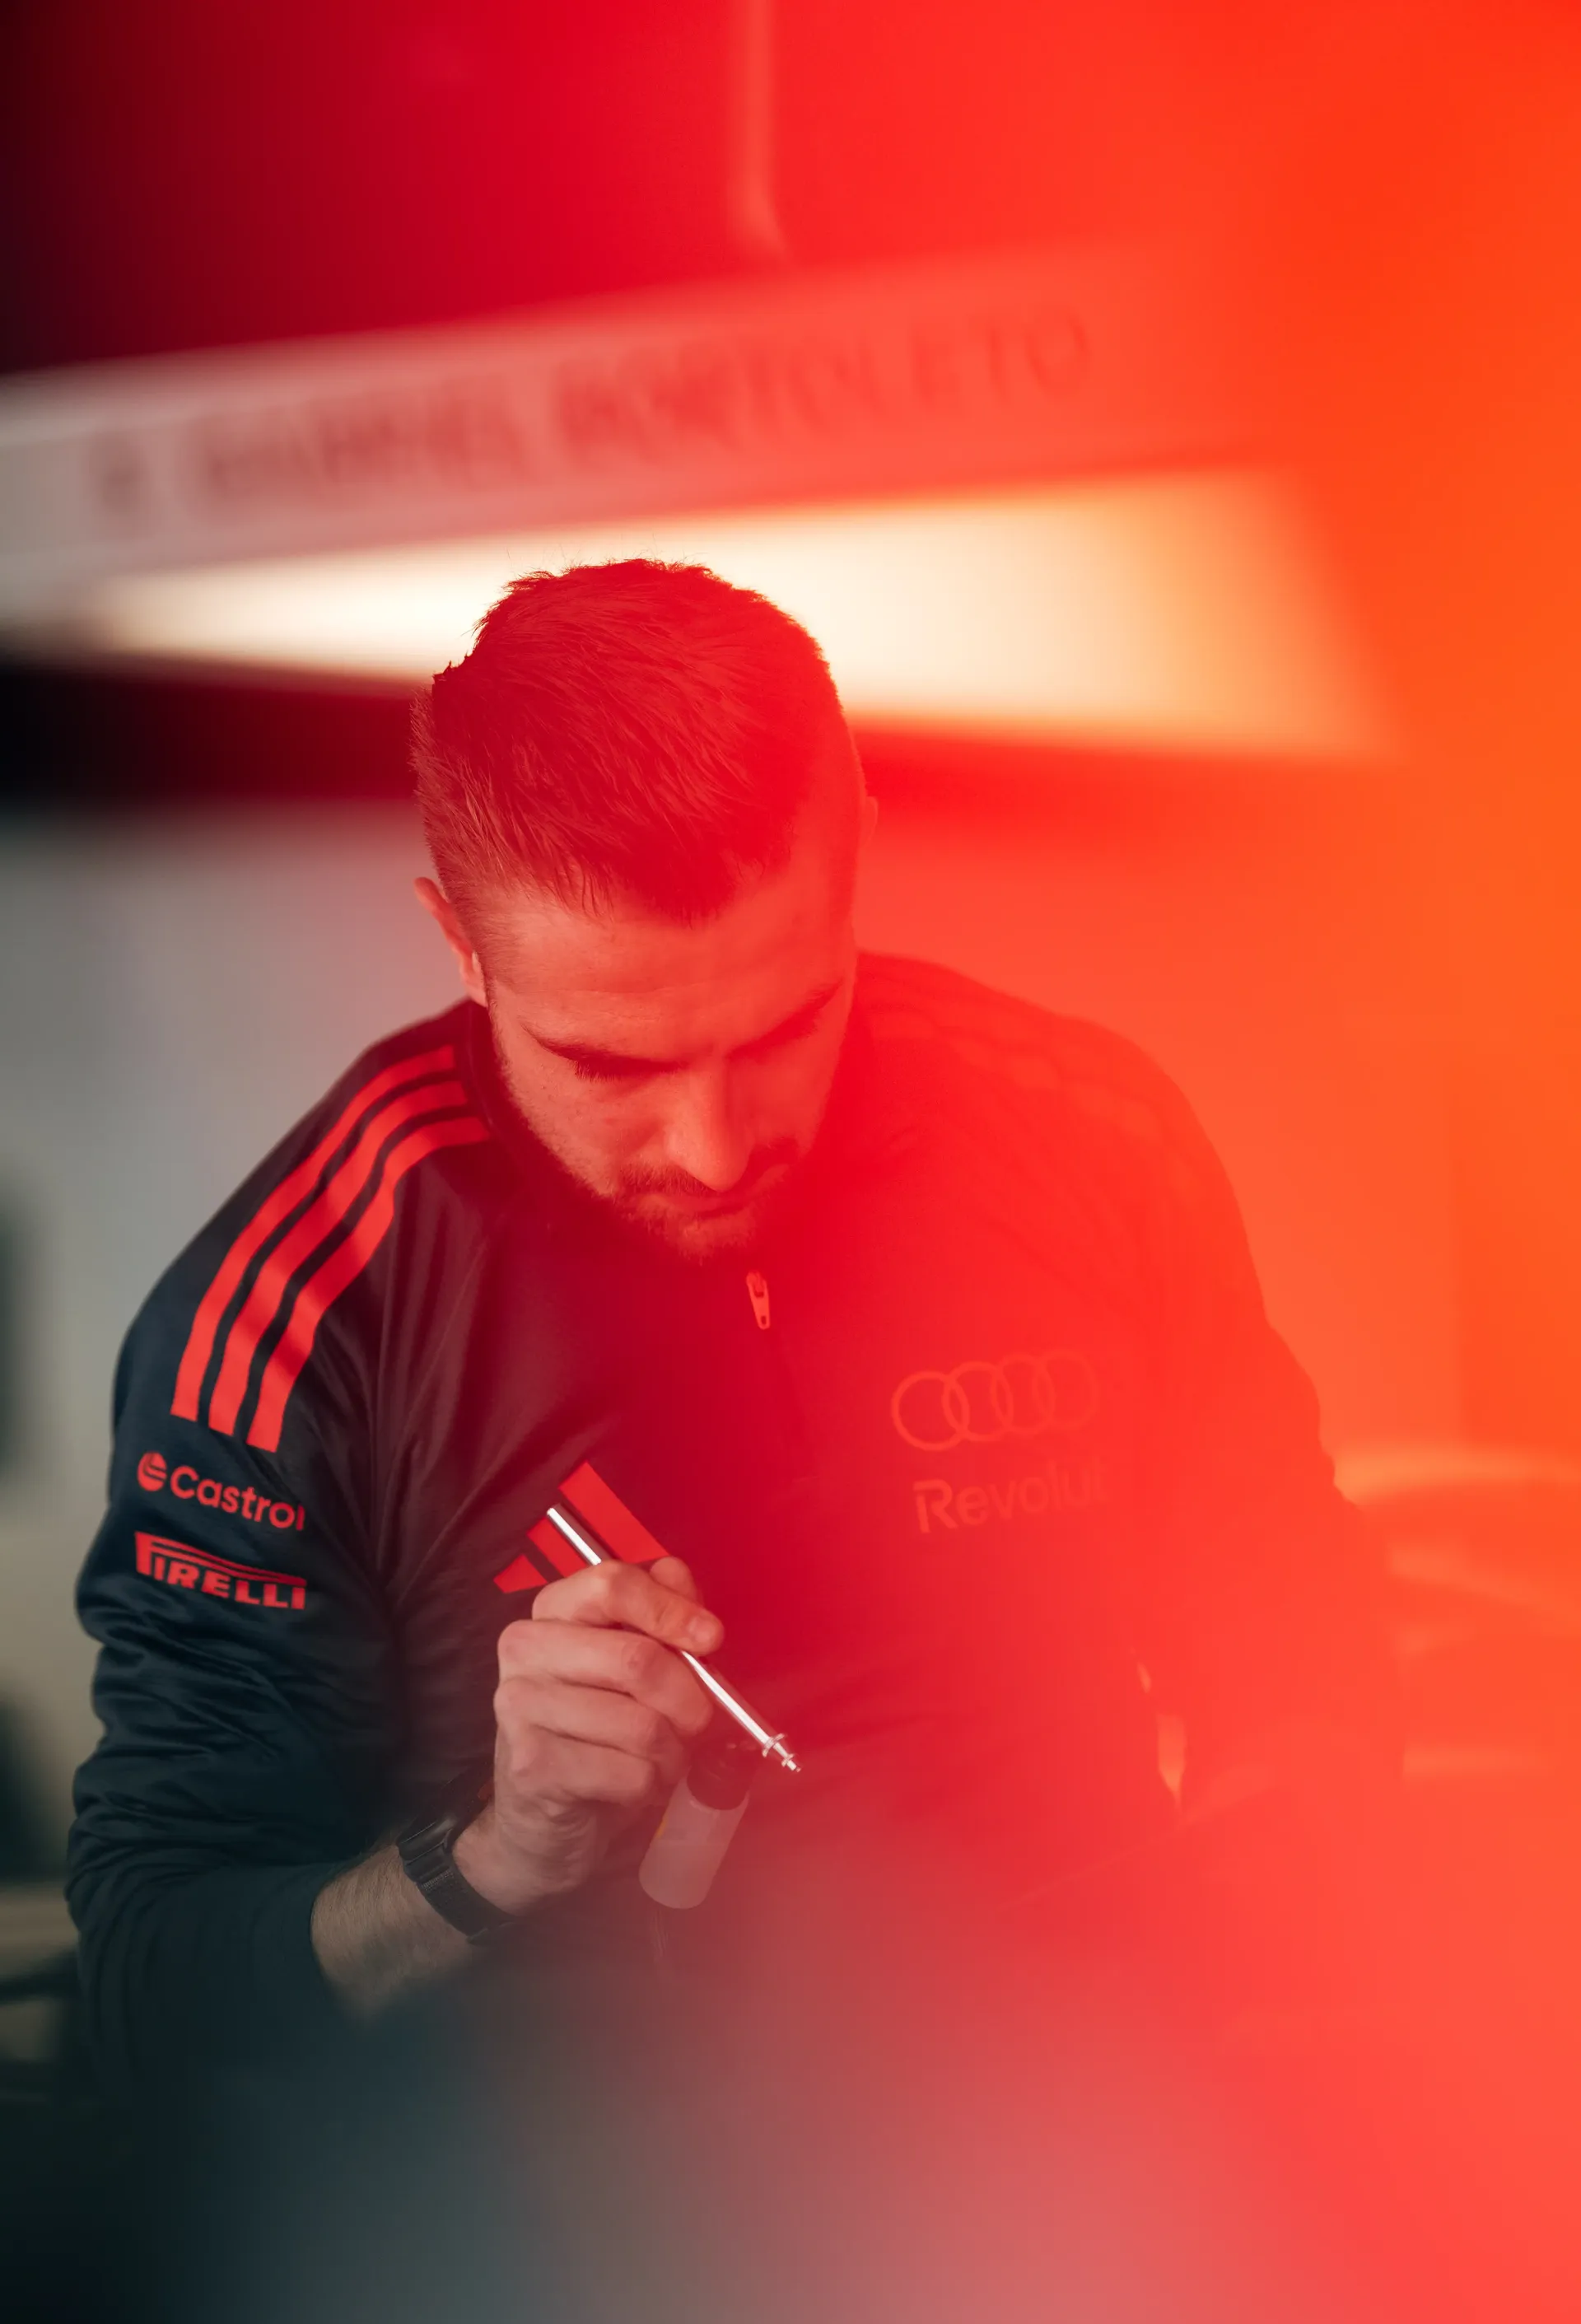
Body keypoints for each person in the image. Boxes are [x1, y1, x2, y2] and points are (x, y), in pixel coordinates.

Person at [67, 559, 1396, 2091]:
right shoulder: (296, 1318)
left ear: (859, 868)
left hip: (1098, 2168)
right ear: (459, 945)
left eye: (782, 1027)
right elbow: (157, 1987)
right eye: (611, 1065)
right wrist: (499, 1856)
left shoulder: (1088, 1140)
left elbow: (1285, 1615)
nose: (712, 1148)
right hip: (554, 2254)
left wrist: (1258, 1901)